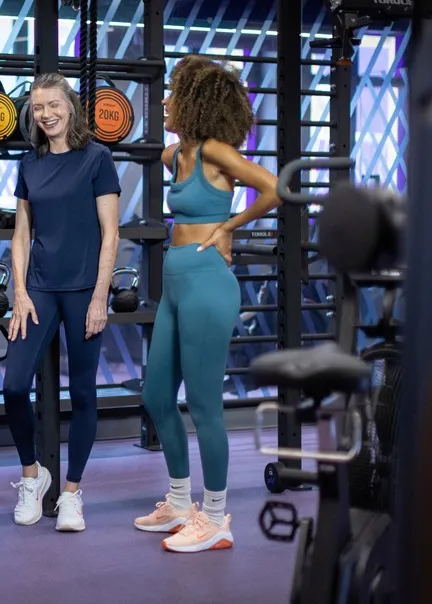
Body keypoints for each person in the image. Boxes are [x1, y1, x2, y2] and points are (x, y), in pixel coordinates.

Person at [133, 55, 280, 553]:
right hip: (176, 284)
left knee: (202, 405)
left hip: (207, 285)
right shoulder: (179, 154)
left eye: (174, 93)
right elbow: (130, 145)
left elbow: (273, 190)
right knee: (156, 396)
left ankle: (216, 518)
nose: (166, 101)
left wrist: (227, 228)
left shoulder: (217, 151)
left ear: (195, 102)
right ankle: (178, 502)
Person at [3, 72, 121, 532]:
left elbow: (111, 232)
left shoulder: (97, 158)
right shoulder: (29, 163)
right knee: (14, 386)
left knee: (84, 392)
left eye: (54, 105)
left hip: (83, 290)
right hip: (39, 289)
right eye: (37, 108)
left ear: (70, 106)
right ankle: (33, 476)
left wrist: (99, 297)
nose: (46, 114)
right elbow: (21, 233)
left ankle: (71, 494)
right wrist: (19, 292)